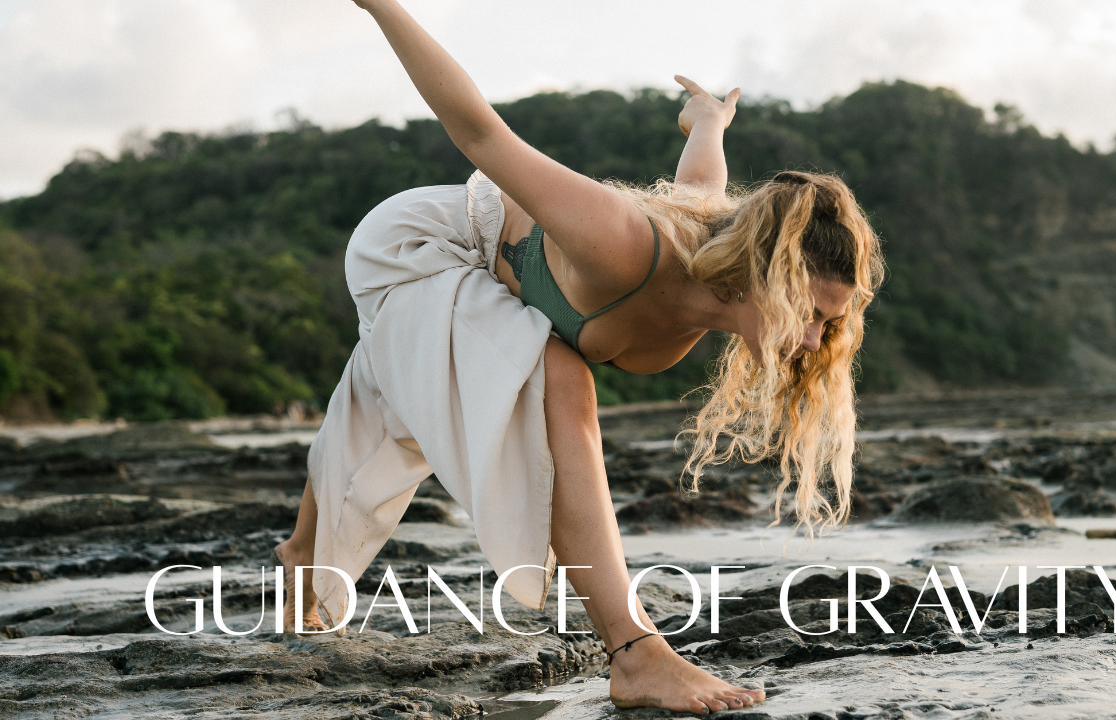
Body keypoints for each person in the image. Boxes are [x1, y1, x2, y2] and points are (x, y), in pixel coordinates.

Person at [273, 0, 884, 715]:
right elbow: (478, 131)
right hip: (420, 246)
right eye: (809, 313)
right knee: (558, 375)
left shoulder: (717, 249)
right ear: (764, 276)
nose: (813, 340)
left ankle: (299, 558)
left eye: (827, 325)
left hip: (481, 288)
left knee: (394, 394)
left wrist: (709, 122)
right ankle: (636, 654)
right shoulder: (622, 241)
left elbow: (702, 182)